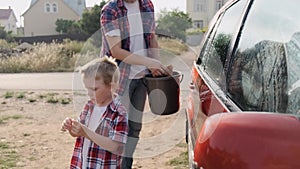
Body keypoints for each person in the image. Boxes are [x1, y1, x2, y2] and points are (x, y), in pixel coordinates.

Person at [100, 0, 171, 168]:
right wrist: (149, 63)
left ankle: (126, 165)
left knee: (134, 128)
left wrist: (157, 66)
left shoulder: (147, 5)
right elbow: (116, 51)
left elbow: (151, 37)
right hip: (118, 79)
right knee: (117, 129)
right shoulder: (111, 10)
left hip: (141, 79)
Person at [61, 56, 128, 169]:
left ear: (111, 87)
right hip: (83, 164)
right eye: (87, 89)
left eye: (94, 89)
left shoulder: (119, 113)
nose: (89, 93)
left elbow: (115, 146)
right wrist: (71, 127)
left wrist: (86, 132)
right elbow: (79, 133)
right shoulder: (89, 106)